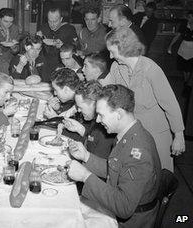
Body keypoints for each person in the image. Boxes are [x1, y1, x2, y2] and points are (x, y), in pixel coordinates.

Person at [67, 84, 161, 228]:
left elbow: (123, 207)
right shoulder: (128, 134)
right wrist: (86, 156)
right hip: (119, 207)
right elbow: (117, 170)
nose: (97, 120)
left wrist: (85, 176)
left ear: (119, 113)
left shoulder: (138, 152)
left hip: (131, 221)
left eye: (101, 115)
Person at [103, 27, 185, 172]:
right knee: (134, 177)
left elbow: (170, 104)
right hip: (132, 132)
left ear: (124, 48)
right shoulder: (117, 67)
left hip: (155, 133)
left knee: (160, 178)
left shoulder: (151, 70)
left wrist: (179, 136)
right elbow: (103, 89)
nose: (110, 56)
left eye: (112, 51)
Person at [63, 80, 115, 159]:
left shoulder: (106, 129)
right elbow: (92, 141)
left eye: (80, 107)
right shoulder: (95, 122)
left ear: (94, 104)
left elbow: (96, 163)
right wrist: (80, 129)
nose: (78, 110)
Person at [37, 7, 78, 74]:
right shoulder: (43, 28)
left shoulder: (69, 29)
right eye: (50, 21)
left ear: (61, 19)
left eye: (55, 21)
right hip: (45, 66)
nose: (52, 24)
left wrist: (59, 44)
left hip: (62, 65)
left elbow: (76, 48)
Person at [168, 10, 193, 87]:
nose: (190, 19)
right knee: (184, 68)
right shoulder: (184, 24)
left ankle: (187, 84)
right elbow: (177, 36)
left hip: (192, 49)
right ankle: (186, 83)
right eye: (189, 17)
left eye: (191, 17)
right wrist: (170, 46)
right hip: (184, 48)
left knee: (189, 69)